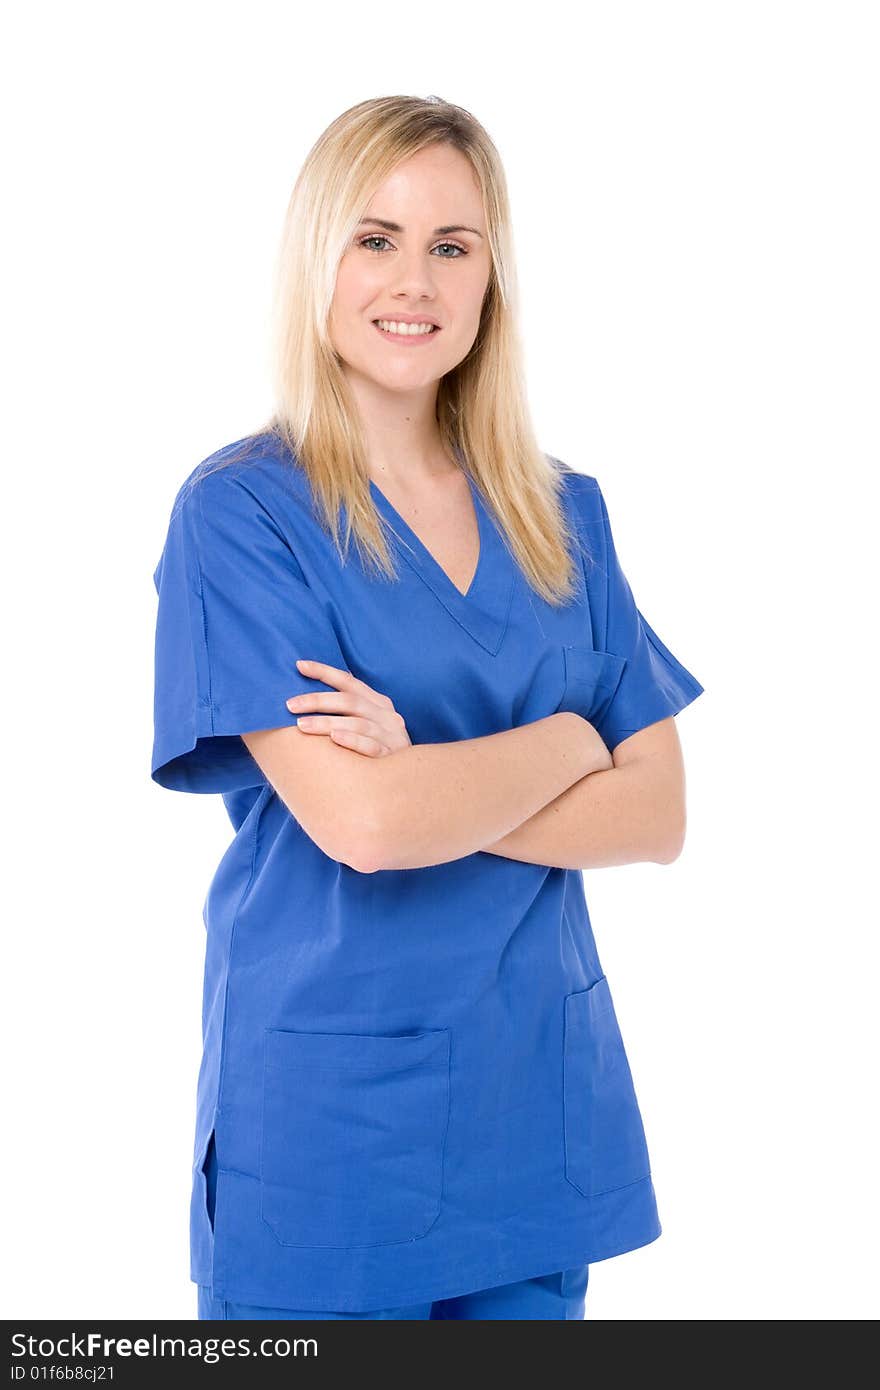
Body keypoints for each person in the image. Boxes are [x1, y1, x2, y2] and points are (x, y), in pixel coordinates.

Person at [150, 94, 705, 1322]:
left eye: (453, 243)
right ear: (318, 261)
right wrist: (570, 745)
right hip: (330, 1144)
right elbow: (370, 828)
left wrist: (433, 775)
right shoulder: (243, 518)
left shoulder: (565, 517)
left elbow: (659, 812)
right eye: (376, 237)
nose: (416, 279)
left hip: (533, 1121)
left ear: (491, 274)